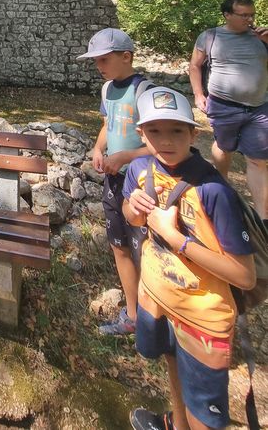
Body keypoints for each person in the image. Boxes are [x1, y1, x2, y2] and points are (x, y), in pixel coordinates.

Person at [124, 86, 256, 430]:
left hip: (203, 319)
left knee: (205, 412)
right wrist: (132, 208)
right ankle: (176, 423)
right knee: (172, 362)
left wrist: (175, 239)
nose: (165, 141)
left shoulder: (213, 191)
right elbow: (131, 215)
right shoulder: (139, 168)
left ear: (193, 133)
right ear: (141, 133)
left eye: (176, 131)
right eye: (154, 131)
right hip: (157, 298)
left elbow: (244, 277)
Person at [78, 28, 153, 335]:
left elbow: (159, 146)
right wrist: (99, 148)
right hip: (114, 180)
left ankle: (156, 318)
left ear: (126, 57)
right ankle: (134, 315)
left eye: (104, 60)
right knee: (119, 245)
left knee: (146, 250)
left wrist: (124, 157)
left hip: (142, 182)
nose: (99, 67)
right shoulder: (108, 90)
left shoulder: (145, 92)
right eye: (96, 61)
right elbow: (108, 125)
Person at [189, 0, 268, 219]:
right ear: (227, 15)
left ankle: (263, 218)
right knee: (224, 147)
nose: (249, 19)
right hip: (223, 105)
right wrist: (198, 94)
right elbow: (194, 66)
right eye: (243, 15)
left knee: (258, 159)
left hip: (259, 106)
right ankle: (222, 185)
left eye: (251, 14)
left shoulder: (261, 37)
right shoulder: (210, 36)